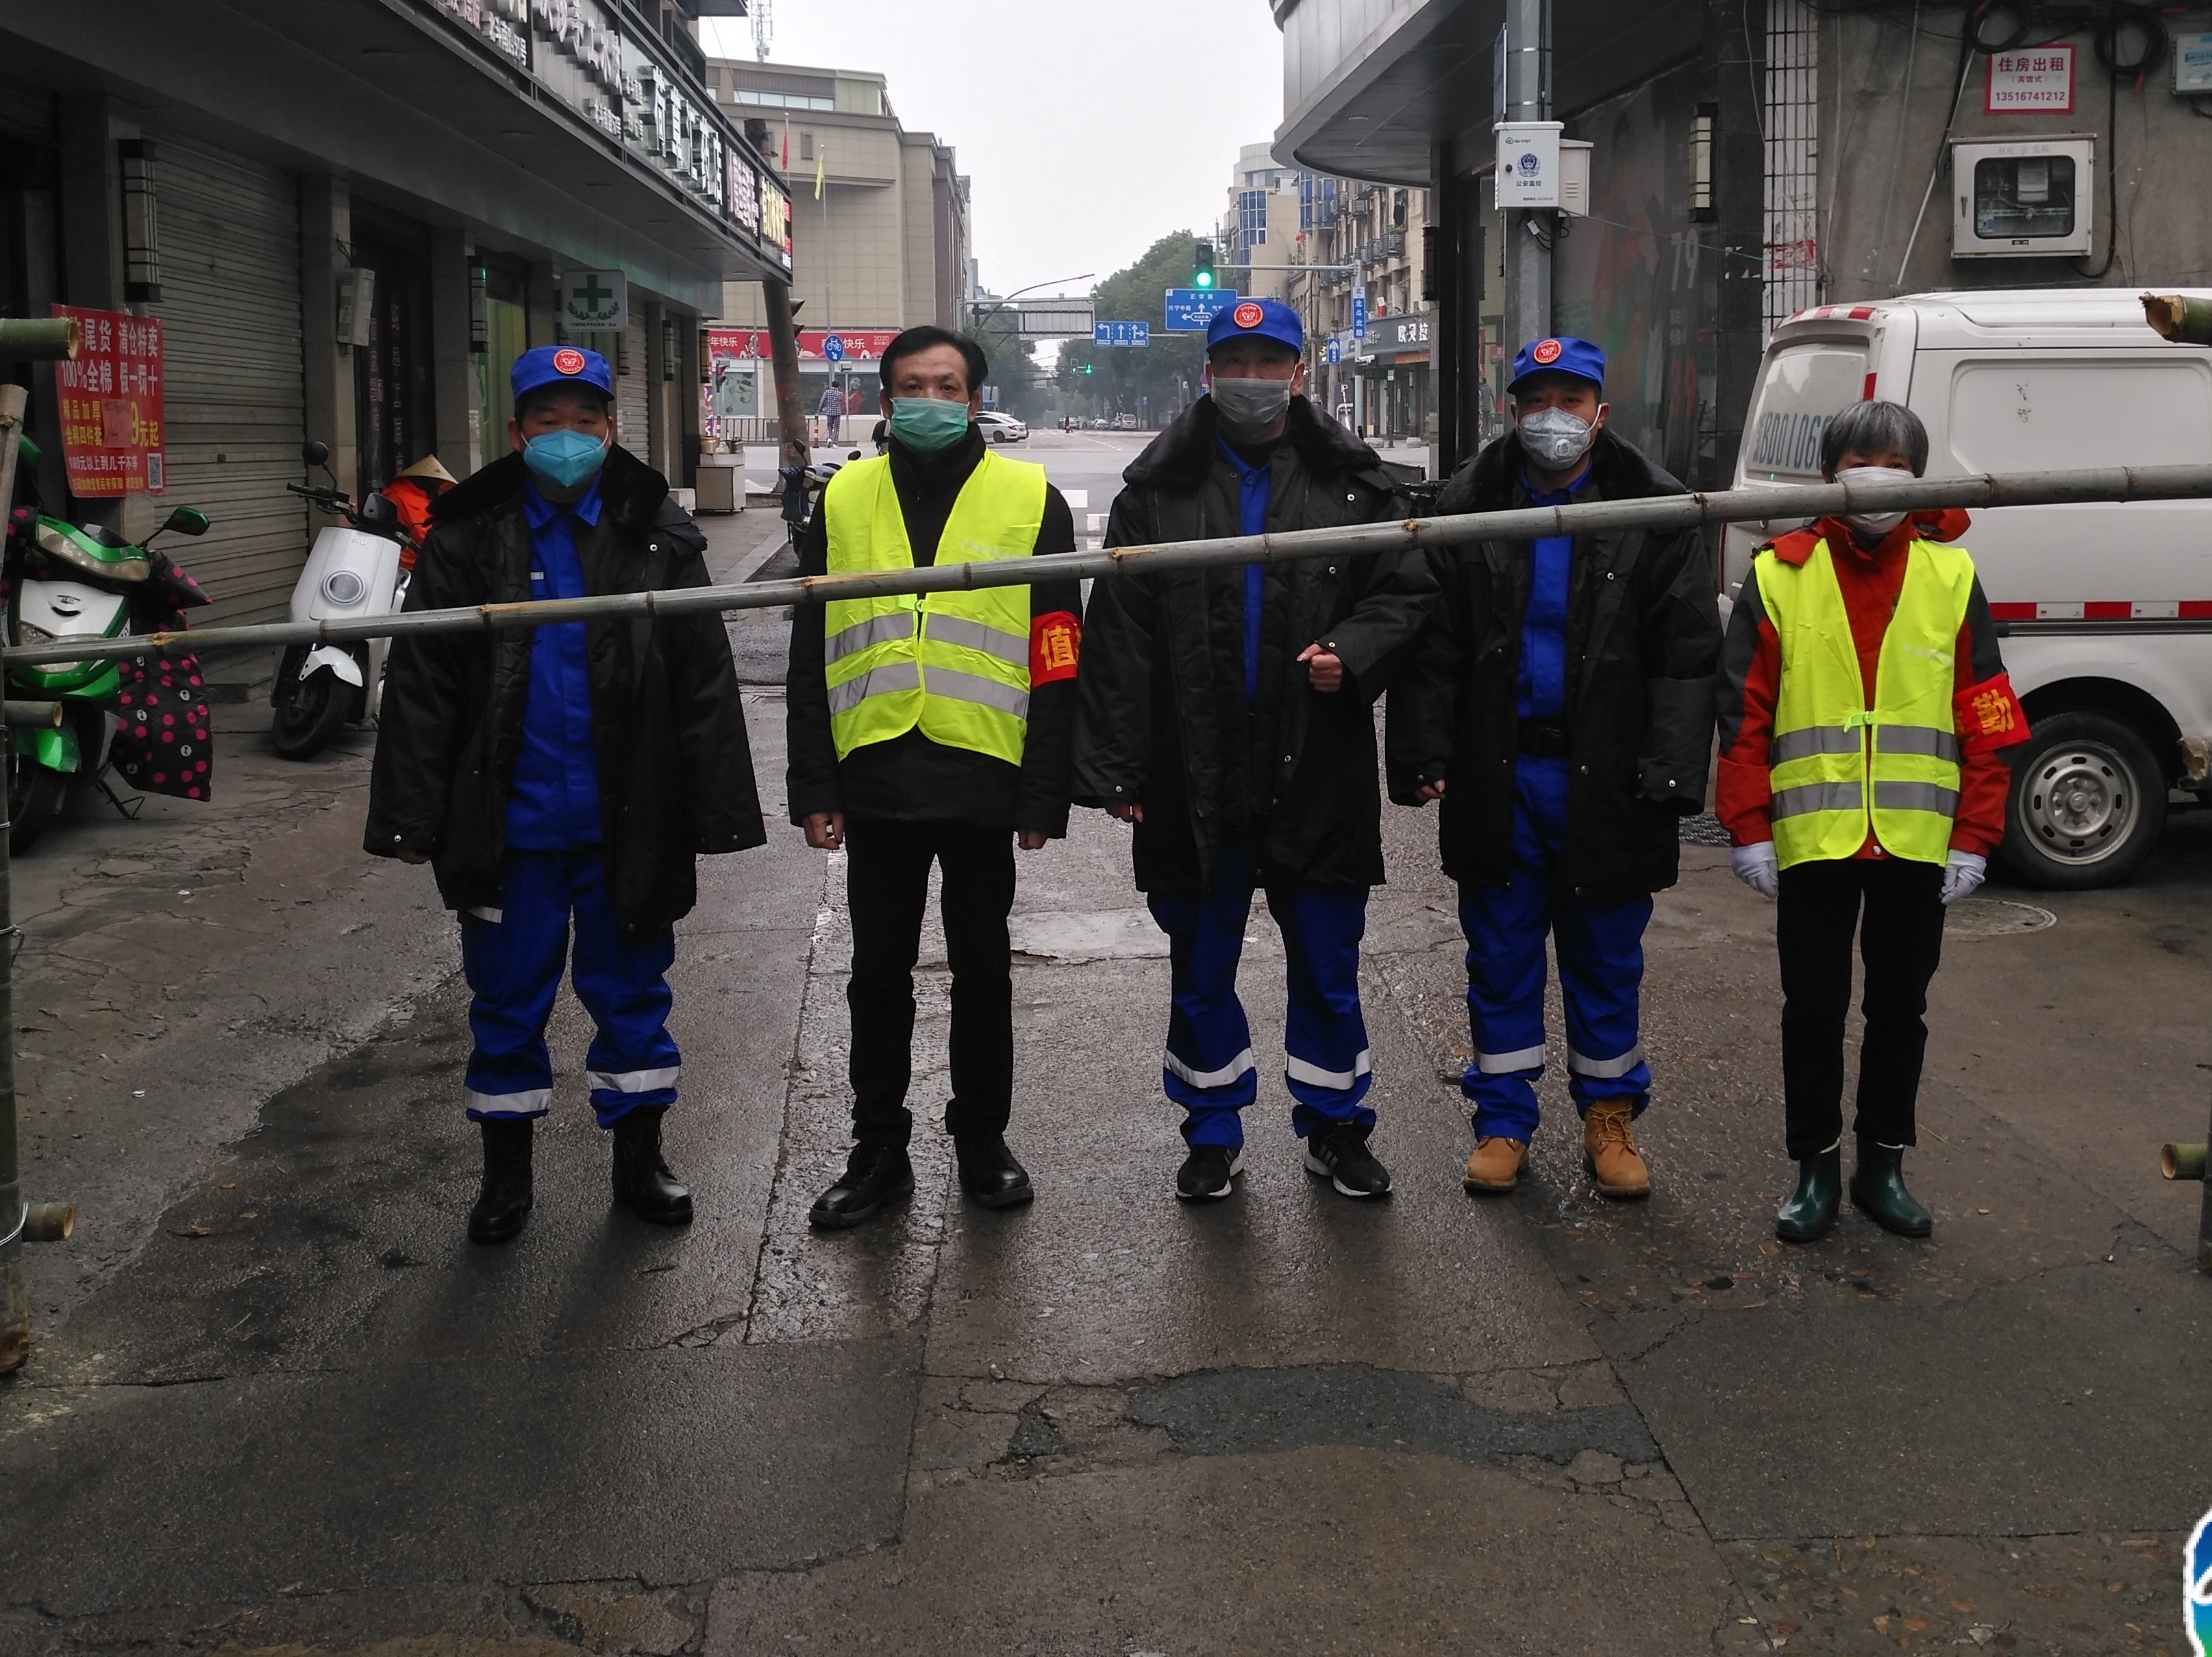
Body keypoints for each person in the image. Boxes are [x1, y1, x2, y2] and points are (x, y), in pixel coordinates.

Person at [366, 344, 766, 1245]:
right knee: (506, 1001)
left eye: (585, 420)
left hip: (628, 816)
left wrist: (717, 810)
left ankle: (641, 1160)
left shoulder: (655, 532)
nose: (568, 437)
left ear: (608, 428)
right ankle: (505, 1174)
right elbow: (425, 685)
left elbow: (702, 675)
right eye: (548, 420)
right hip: (508, 823)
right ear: (516, 433)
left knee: (632, 995)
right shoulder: (468, 536)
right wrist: (411, 816)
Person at [1073, 297, 1434, 1203]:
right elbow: (1116, 636)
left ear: (1299, 374)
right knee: (1201, 969)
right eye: (1236, 363)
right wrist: (1117, 766)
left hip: (1315, 759)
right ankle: (1211, 1130)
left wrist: (1350, 655)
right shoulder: (1155, 496)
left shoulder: (1357, 486)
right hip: (1191, 764)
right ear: (1209, 374)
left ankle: (1337, 1129)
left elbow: (1405, 595)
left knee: (1328, 963)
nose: (1253, 380)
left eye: (1270, 363)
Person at [1388, 336, 1720, 1199]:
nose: (1553, 418)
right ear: (1510, 410)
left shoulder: (1656, 511)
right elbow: (1433, 643)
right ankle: (1502, 1120)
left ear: (1601, 412)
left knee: (1606, 958)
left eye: (1570, 401)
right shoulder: (1468, 507)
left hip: (1607, 777)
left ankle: (1610, 1119)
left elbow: (1685, 653)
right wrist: (1424, 752)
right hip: (1502, 773)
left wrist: (1672, 771)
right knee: (1499, 957)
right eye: (1535, 401)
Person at [786, 323, 1080, 1230]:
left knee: (981, 969)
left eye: (947, 386)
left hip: (982, 771)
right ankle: (878, 1151)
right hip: (875, 771)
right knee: (876, 973)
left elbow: (1057, 653)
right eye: (911, 386)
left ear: (975, 399)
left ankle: (981, 1142)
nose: (929, 400)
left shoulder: (1033, 498)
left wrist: (1044, 790)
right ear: (885, 400)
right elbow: (812, 648)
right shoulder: (844, 500)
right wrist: (816, 786)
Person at [1715, 399, 2027, 1245]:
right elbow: (1743, 714)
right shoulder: (1778, 573)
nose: (1876, 477)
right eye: (1861, 461)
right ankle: (1813, 1167)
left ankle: (1883, 1163)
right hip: (1812, 843)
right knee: (1811, 1010)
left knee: (1900, 1012)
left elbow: (1987, 715)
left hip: (1916, 845)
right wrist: (1746, 826)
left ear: (1917, 477)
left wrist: (1975, 834)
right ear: (1831, 474)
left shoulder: (1951, 578)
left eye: (1893, 462)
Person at [378, 452, 452, 573]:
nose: (439, 485)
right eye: (435, 481)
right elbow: (421, 533)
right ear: (422, 479)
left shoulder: (417, 496)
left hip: (419, 558)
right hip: (411, 563)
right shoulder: (402, 497)